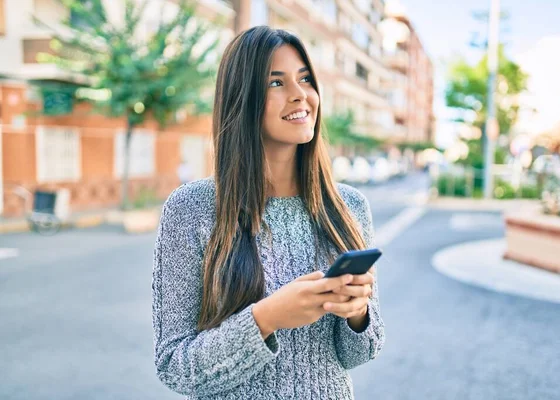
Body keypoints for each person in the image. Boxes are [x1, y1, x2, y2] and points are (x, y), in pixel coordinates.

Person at [152, 26, 385, 400]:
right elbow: (175, 367)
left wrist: (357, 314)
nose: (300, 95)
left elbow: (362, 352)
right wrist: (267, 319)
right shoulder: (191, 209)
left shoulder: (349, 206)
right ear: (242, 99)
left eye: (305, 79)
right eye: (276, 83)